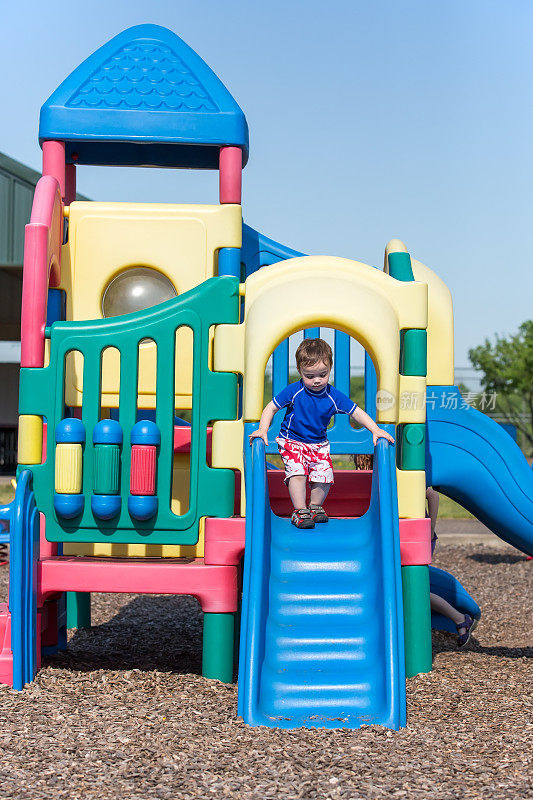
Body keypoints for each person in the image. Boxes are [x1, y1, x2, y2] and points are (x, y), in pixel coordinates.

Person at [249, 338, 394, 529]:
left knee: (324, 477)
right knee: (297, 473)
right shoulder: (295, 390)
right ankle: (299, 510)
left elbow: (356, 412)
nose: (317, 380)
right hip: (292, 441)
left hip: (319, 444)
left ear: (330, 369)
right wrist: (262, 429)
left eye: (322, 374)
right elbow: (271, 408)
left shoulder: (333, 396)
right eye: (310, 376)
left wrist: (375, 429)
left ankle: (315, 507)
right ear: (300, 372)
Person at [426, 487, 477, 647]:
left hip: (418, 535)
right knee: (410, 588)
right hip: (401, 536)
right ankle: (460, 619)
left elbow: (432, 495)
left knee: (413, 588)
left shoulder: (402, 472)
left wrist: (430, 530)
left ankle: (461, 619)